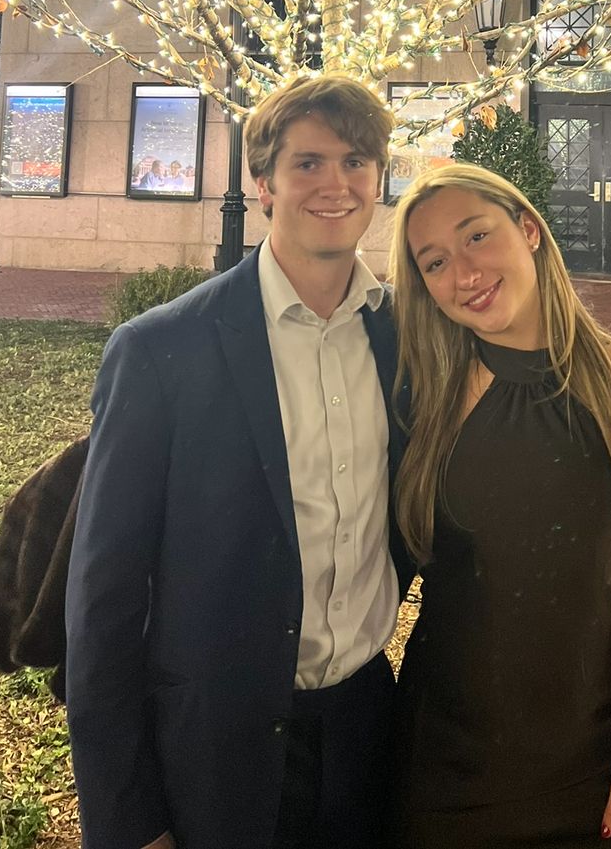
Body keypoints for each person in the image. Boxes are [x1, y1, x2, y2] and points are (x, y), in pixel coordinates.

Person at [66, 74, 412, 849]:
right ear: (263, 185)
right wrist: (126, 818)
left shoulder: (403, 341)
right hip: (215, 751)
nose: (336, 183)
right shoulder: (161, 351)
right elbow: (102, 601)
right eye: (308, 163)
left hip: (368, 732)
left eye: (357, 161)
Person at [389, 163, 611, 849]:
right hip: (443, 763)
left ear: (529, 229)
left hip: (591, 761)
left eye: (477, 236)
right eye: (435, 261)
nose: (464, 271)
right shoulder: (424, 395)